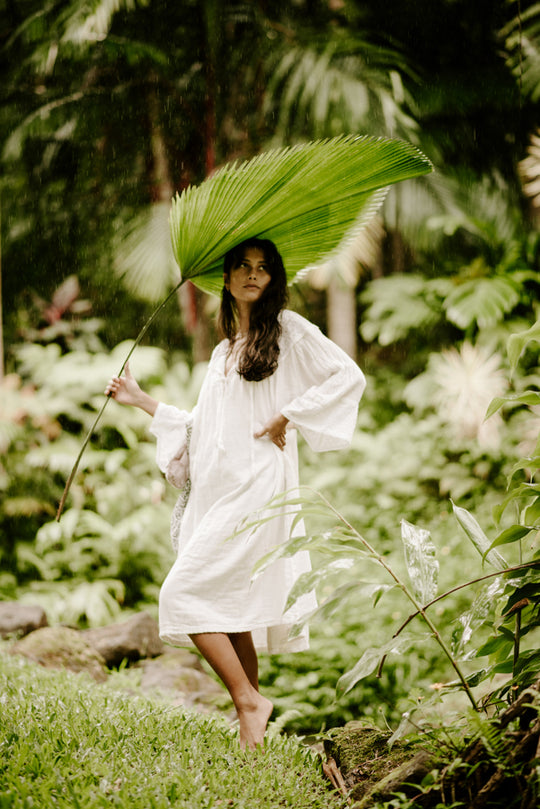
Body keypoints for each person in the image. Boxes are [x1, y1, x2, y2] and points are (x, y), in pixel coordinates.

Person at [105, 237, 366, 749]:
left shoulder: (289, 331)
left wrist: (288, 414)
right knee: (230, 608)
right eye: (242, 267)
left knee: (181, 594)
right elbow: (205, 426)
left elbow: (346, 374)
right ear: (225, 279)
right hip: (218, 487)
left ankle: (249, 701)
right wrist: (140, 401)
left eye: (263, 268)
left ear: (274, 279)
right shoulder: (225, 351)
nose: (253, 275)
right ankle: (253, 730)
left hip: (257, 483)